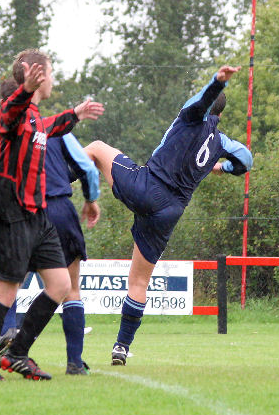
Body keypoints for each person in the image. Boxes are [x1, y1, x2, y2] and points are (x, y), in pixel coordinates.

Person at [84, 65, 252, 365]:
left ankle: (52, 181)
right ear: (221, 116)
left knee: (96, 148)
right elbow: (245, 161)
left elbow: (202, 102)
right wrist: (222, 167)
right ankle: (121, 346)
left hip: (147, 186)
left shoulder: (190, 114)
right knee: (138, 282)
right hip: (170, 211)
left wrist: (217, 82)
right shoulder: (222, 142)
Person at [0, 49, 104, 382]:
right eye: (51, 72)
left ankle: (16, 353)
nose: (54, 78)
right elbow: (10, 113)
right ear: (38, 74)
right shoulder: (15, 113)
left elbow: (49, 127)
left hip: (36, 215)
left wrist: (75, 113)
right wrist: (25, 88)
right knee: (5, 292)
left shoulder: (33, 118)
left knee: (59, 285)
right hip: (10, 215)